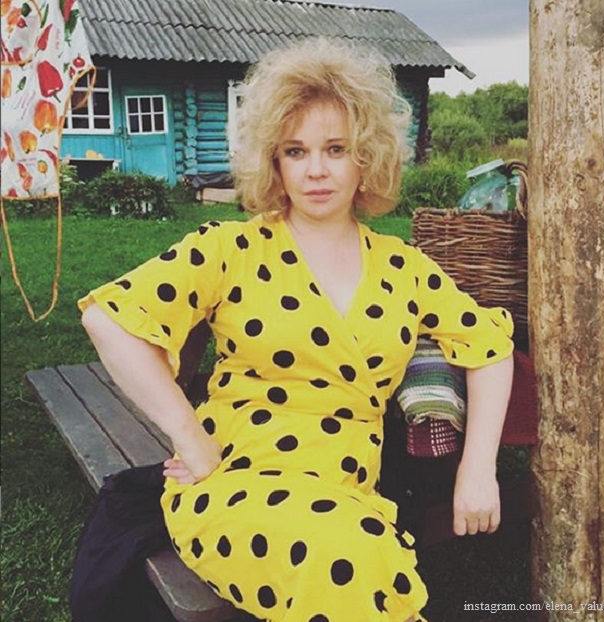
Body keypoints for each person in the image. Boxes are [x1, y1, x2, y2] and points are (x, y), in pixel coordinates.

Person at [79, 38, 514, 622]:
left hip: (346, 493)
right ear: (274, 162)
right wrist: (190, 435)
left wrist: (478, 469)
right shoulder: (230, 248)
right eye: (295, 150)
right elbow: (108, 317)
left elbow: (489, 348)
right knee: (349, 562)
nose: (315, 170)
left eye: (336, 149)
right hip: (236, 482)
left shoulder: (405, 267)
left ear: (367, 158)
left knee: (354, 554)